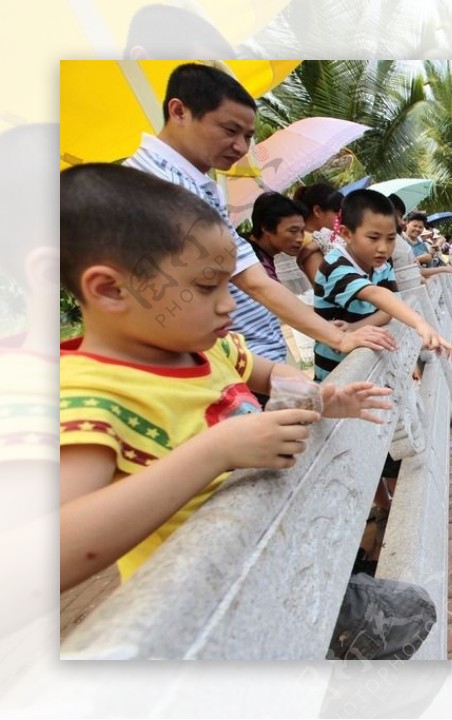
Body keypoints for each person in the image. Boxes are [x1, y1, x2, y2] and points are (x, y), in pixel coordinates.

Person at [58, 164, 394, 592]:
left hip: (274, 564)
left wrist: (319, 398)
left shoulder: (209, 346)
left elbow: (270, 373)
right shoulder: (90, 397)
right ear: (110, 290)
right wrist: (217, 451)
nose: (228, 307)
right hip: (207, 599)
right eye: (206, 287)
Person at [122, 63, 396, 365]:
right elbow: (252, 281)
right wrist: (339, 337)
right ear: (178, 111)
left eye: (248, 136)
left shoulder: (193, 183)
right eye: (229, 130)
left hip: (247, 361)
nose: (240, 147)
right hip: (226, 367)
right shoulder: (162, 186)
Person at [312, 190, 452, 382]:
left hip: (370, 369)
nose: (383, 248)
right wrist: (421, 323)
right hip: (335, 374)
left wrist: (353, 327)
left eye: (390, 238)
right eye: (373, 237)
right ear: (346, 233)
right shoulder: (335, 266)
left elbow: (388, 309)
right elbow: (377, 294)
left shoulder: (382, 266)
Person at [246, 192, 308, 283]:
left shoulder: (249, 246)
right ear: (267, 229)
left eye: (302, 231)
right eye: (293, 231)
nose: (300, 239)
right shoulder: (253, 263)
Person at [293, 183, 344, 285]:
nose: (341, 218)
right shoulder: (307, 240)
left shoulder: (322, 238)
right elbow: (324, 287)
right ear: (317, 211)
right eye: (336, 212)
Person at [399, 211, 452, 280]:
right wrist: (443, 269)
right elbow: (416, 271)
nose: (417, 229)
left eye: (420, 227)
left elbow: (429, 264)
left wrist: (432, 254)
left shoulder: (421, 243)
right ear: (407, 223)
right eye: (415, 226)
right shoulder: (401, 241)